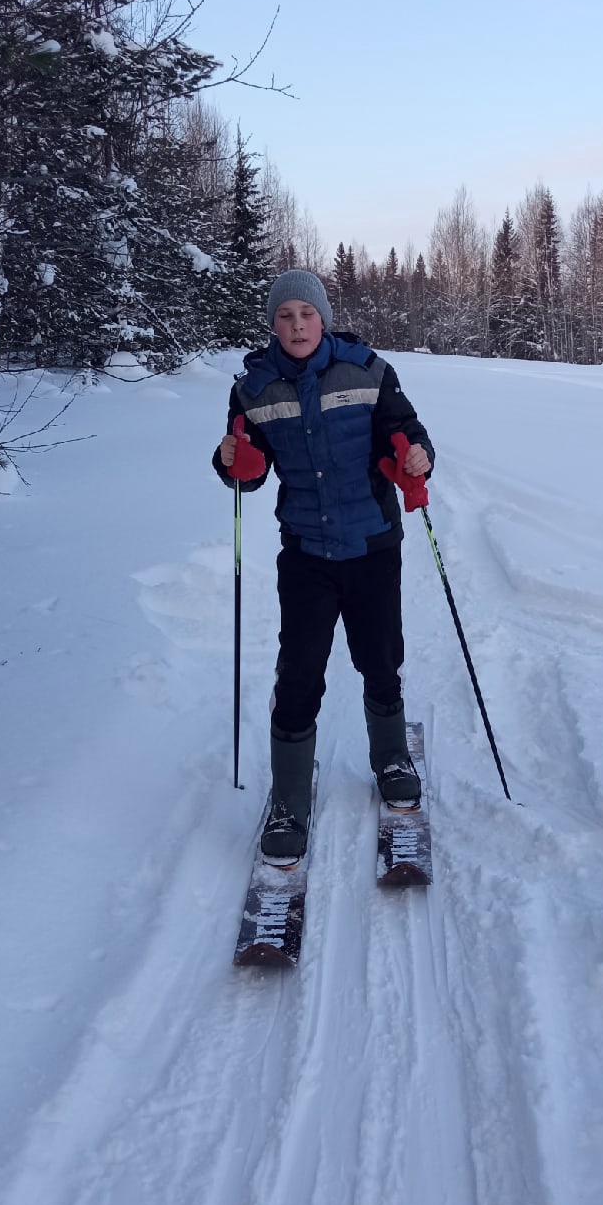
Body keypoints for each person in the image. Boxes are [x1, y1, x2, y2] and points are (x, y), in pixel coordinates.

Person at [214, 269, 435, 864]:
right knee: (300, 670)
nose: (297, 326)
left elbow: (407, 432)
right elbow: (249, 473)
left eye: (306, 315)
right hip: (307, 551)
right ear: (273, 324)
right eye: (285, 316)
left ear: (324, 318)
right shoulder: (253, 389)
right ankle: (289, 795)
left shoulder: (368, 371)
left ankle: (390, 755)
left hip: (372, 544)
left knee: (380, 655)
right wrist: (232, 461)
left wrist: (417, 453)